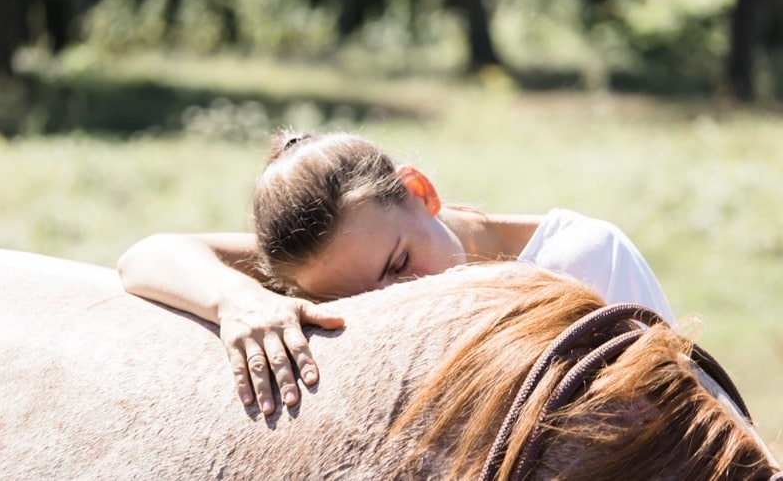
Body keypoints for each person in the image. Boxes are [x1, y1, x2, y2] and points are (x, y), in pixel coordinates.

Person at [118, 130, 674, 416]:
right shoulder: (336, 258)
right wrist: (237, 298)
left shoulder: (584, 258)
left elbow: (686, 427)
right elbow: (147, 255)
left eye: (400, 265)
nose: (401, 302)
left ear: (420, 192)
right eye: (364, 299)